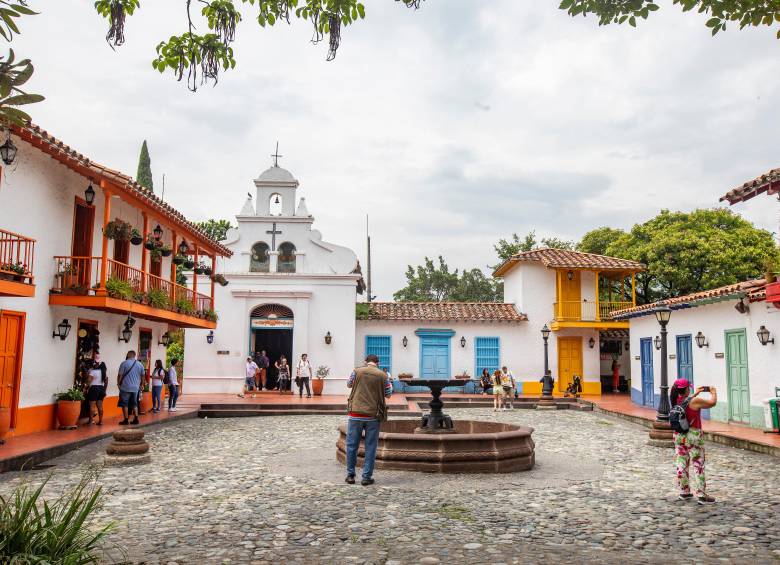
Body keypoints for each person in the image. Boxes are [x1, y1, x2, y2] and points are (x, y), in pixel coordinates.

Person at [344, 354, 392, 486]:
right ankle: (366, 477)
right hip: (373, 415)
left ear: (366, 361)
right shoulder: (383, 375)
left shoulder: (357, 371)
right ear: (378, 363)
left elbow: (349, 384)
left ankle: (350, 475)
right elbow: (388, 393)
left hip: (355, 413)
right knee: (370, 446)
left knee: (351, 445)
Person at [670, 378, 717, 505]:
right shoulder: (694, 401)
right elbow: (712, 403)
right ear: (686, 389)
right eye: (688, 387)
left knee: (681, 463)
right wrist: (713, 392)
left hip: (679, 435)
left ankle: (684, 492)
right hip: (693, 435)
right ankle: (702, 495)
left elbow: (686, 401)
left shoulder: (674, 399)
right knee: (698, 464)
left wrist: (695, 394)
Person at [117, 351, 145, 425]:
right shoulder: (140, 364)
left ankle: (126, 420)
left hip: (125, 387)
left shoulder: (124, 363)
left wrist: (118, 384)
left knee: (124, 404)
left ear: (128, 355)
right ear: (134, 356)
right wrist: (142, 385)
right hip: (135, 388)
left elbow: (120, 375)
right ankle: (136, 419)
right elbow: (143, 376)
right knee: (134, 403)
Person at [85, 353, 107, 425]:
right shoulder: (103, 372)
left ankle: (91, 421)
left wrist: (85, 387)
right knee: (100, 406)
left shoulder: (93, 372)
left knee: (92, 406)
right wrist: (104, 390)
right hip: (101, 388)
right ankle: (100, 421)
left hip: (94, 388)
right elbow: (106, 381)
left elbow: (88, 381)